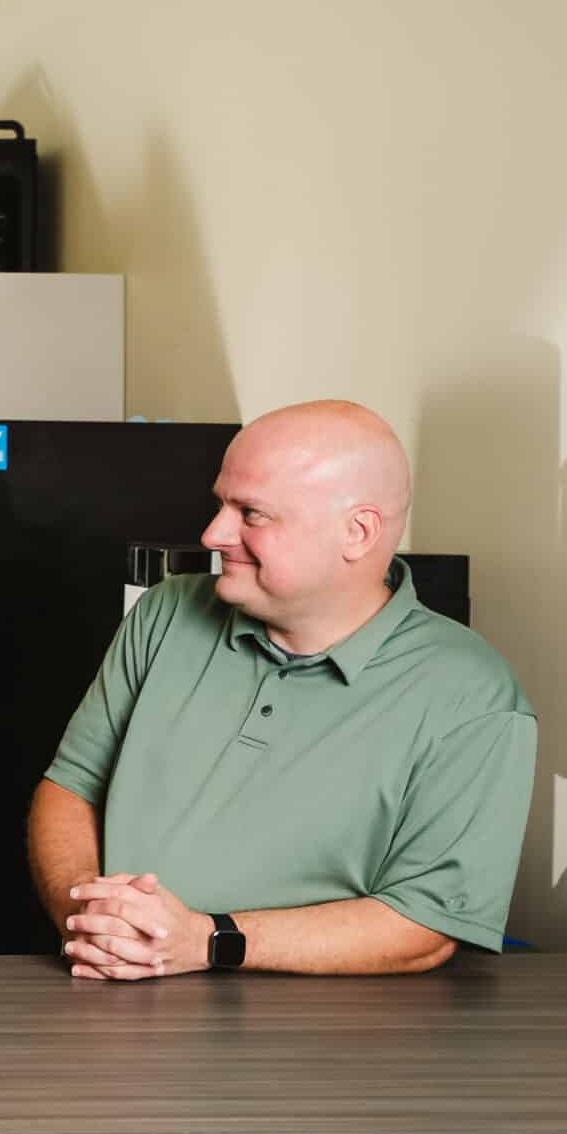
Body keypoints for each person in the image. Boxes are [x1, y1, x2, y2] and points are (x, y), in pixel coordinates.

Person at [34, 400, 535, 979]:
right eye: (221, 503)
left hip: (315, 1041)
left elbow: (425, 926)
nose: (214, 533)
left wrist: (209, 940)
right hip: (113, 1002)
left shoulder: (473, 695)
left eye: (252, 513)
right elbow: (69, 788)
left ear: (358, 532)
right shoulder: (164, 613)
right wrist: (91, 916)